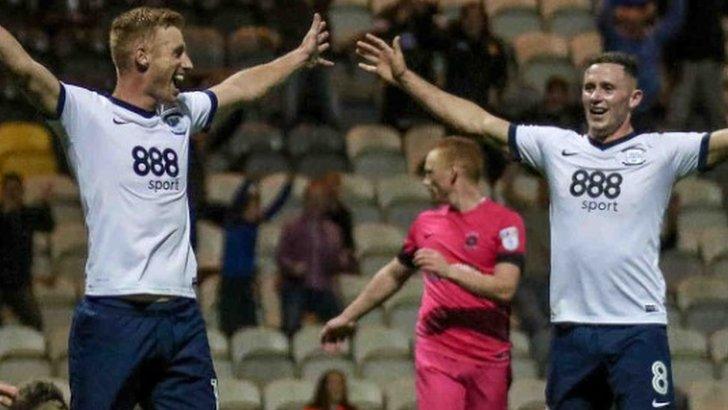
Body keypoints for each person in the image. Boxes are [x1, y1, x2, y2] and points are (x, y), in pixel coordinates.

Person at [354, 32, 728, 408]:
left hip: (637, 329)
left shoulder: (661, 152)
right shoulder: (557, 146)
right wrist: (406, 78)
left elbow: (721, 141)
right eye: (589, 87)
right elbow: (477, 122)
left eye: (608, 88)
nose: (595, 96)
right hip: (572, 332)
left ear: (634, 98)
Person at [0, 6, 331, 409]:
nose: (188, 64)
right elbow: (23, 68)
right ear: (142, 56)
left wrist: (298, 56)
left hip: (181, 319)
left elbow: (242, 87)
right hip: (113, 317)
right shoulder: (88, 115)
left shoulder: (181, 114)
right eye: (177, 52)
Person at [321, 137, 526, 409]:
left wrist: (450, 271)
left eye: (430, 172)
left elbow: (505, 288)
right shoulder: (426, 224)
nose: (424, 180)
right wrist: (347, 316)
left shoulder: (506, 222)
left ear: (453, 172)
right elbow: (394, 274)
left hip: (489, 355)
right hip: (437, 351)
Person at [201, 175, 293, 336]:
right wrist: (249, 182)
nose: (257, 211)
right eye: (253, 207)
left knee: (249, 321)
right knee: (229, 322)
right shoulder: (232, 221)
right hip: (229, 279)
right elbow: (237, 200)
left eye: (258, 207)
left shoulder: (254, 226)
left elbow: (275, 207)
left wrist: (288, 186)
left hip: (246, 279)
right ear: (244, 207)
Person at [277, 180, 350, 336]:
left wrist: (340, 261)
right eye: (313, 199)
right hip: (297, 286)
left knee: (342, 325)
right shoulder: (292, 227)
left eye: (320, 200)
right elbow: (282, 256)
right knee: (291, 326)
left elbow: (336, 263)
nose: (317, 204)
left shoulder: (333, 231)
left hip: (322, 286)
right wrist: (293, 267)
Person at [598, 0, 685, 131]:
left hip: (651, 111)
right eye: (630, 10)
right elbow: (603, 16)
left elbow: (676, 18)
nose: (634, 16)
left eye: (639, 10)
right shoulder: (614, 38)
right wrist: (616, 6)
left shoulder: (654, 37)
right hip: (620, 112)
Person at [0, 172, 54, 331]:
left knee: (36, 323)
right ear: (2, 192)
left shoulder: (26, 215)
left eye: (16, 190)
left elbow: (48, 225)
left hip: (19, 282)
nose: (12, 194)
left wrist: (44, 202)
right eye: (9, 190)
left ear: (22, 192)